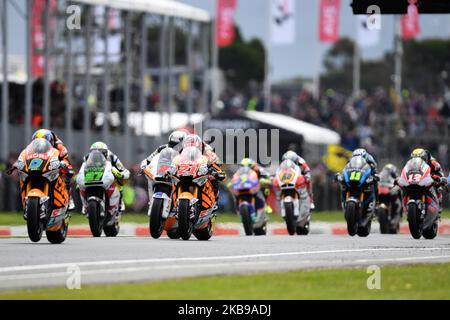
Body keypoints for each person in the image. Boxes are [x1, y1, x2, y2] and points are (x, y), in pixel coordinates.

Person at [32, 129, 76, 210]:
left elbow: (66, 160)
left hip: (55, 164)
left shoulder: (60, 147)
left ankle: (69, 197)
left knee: (68, 174)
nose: (40, 145)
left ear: (50, 141)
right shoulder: (33, 147)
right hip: (40, 165)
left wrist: (64, 165)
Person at [83, 142, 130, 212]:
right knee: (78, 186)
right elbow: (83, 168)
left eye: (101, 152)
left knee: (119, 180)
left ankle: (120, 201)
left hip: (108, 175)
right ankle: (84, 205)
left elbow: (123, 169)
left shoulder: (112, 157)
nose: (97, 154)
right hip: (92, 175)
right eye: (94, 151)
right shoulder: (86, 157)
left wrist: (121, 174)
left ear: (105, 152)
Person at [410, 148, 447, 213]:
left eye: (420, 159)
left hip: (431, 179)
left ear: (425, 158)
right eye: (414, 159)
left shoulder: (434, 163)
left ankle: (439, 205)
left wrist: (440, 178)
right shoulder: (411, 165)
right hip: (418, 179)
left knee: (439, 188)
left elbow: (441, 174)